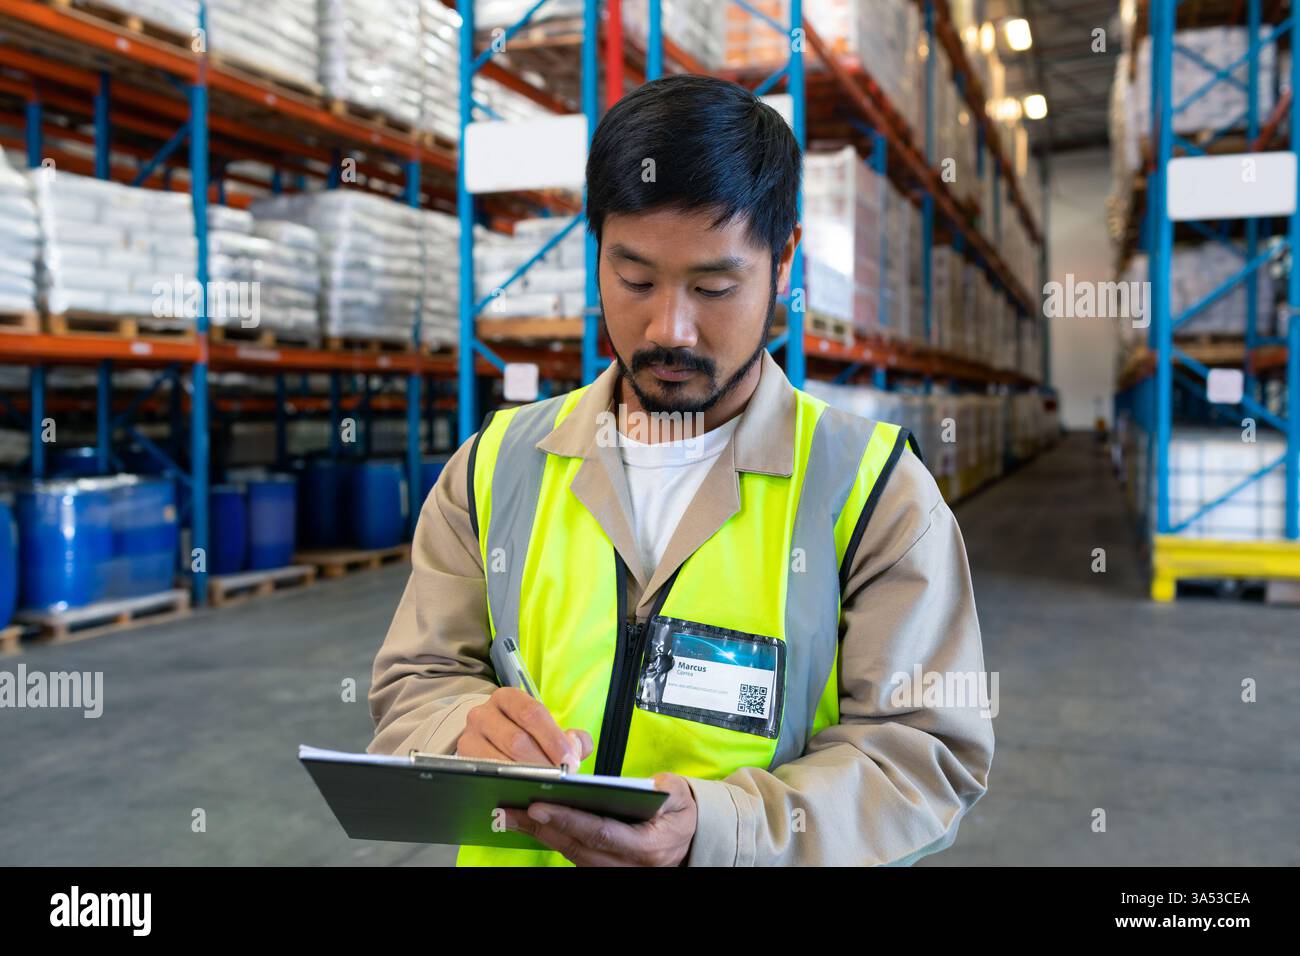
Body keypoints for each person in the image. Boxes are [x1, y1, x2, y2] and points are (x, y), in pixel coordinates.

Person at [368, 74, 994, 867]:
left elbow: (922, 762)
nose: (669, 327)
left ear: (785, 259)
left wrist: (718, 830)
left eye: (714, 286)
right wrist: (459, 728)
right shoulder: (497, 467)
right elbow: (413, 682)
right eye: (634, 280)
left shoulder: (875, 497)